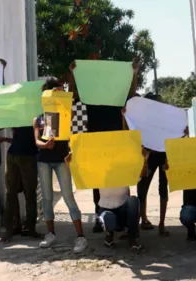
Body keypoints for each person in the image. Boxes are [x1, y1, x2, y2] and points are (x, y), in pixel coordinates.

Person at [68, 58, 140, 233]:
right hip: (96, 142)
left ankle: (123, 217)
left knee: (121, 179)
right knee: (97, 180)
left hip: (117, 140)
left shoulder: (117, 95)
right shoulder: (89, 96)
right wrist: (73, 73)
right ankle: (100, 217)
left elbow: (131, 92)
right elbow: (72, 94)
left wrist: (135, 73)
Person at [34, 77, 87, 254]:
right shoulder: (39, 119)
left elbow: (74, 129)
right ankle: (50, 234)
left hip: (62, 159)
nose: (60, 92)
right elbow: (37, 141)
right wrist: (45, 145)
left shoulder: (67, 113)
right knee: (47, 198)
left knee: (68, 196)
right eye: (55, 90)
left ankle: (80, 236)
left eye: (61, 90)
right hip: (44, 160)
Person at [0, 85, 39, 243]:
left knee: (30, 193)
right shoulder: (15, 112)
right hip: (14, 156)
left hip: (29, 156)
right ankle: (10, 229)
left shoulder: (37, 113)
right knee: (11, 194)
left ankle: (30, 228)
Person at [136, 92, 187, 236]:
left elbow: (176, 133)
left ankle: (162, 223)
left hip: (164, 155)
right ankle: (144, 219)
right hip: (149, 155)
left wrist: (183, 134)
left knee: (162, 188)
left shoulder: (167, 118)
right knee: (142, 187)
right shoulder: (143, 119)